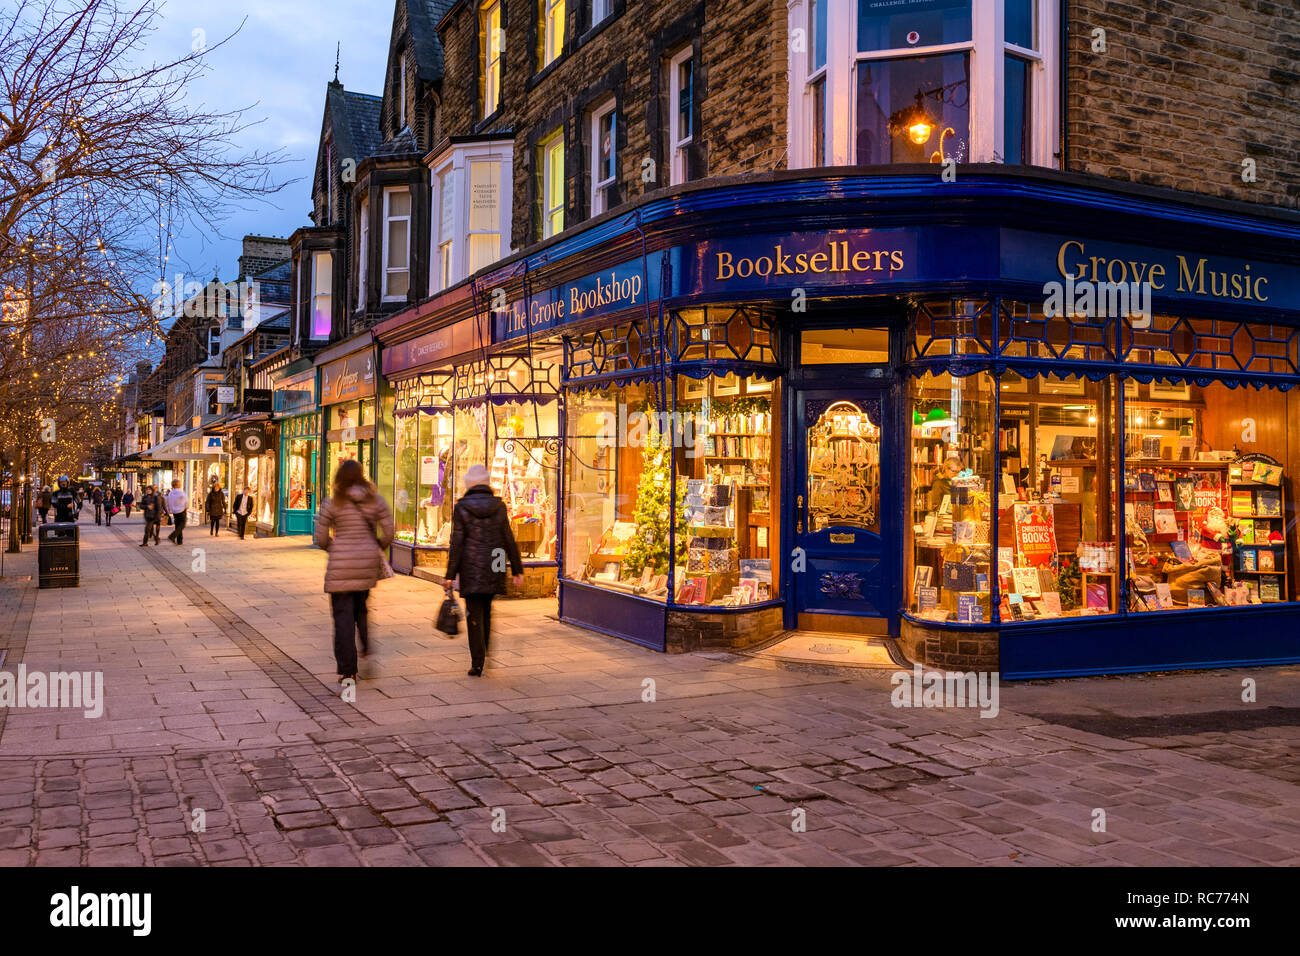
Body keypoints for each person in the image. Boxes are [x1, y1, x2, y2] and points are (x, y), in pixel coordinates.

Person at [312, 459, 394, 684]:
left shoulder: (333, 502)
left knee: (342, 618)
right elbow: (389, 531)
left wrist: (333, 547)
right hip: (367, 563)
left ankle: (348, 671)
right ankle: (366, 647)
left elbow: (319, 537)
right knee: (361, 608)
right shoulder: (375, 500)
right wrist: (377, 546)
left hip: (341, 566)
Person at [445, 463, 523, 678]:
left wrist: (450, 575)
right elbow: (508, 538)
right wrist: (517, 569)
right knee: (487, 609)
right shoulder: (499, 506)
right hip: (494, 563)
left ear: (469, 484)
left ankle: (477, 662)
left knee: (473, 612)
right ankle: (485, 651)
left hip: (470, 566)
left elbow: (457, 543)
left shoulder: (461, 507)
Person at [165, 479, 189, 545]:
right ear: (178, 484)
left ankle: (179, 541)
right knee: (182, 524)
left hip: (174, 511)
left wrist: (170, 509)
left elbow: (168, 502)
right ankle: (173, 536)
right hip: (181, 510)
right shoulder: (181, 492)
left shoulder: (170, 493)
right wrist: (186, 507)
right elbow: (186, 501)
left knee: (178, 525)